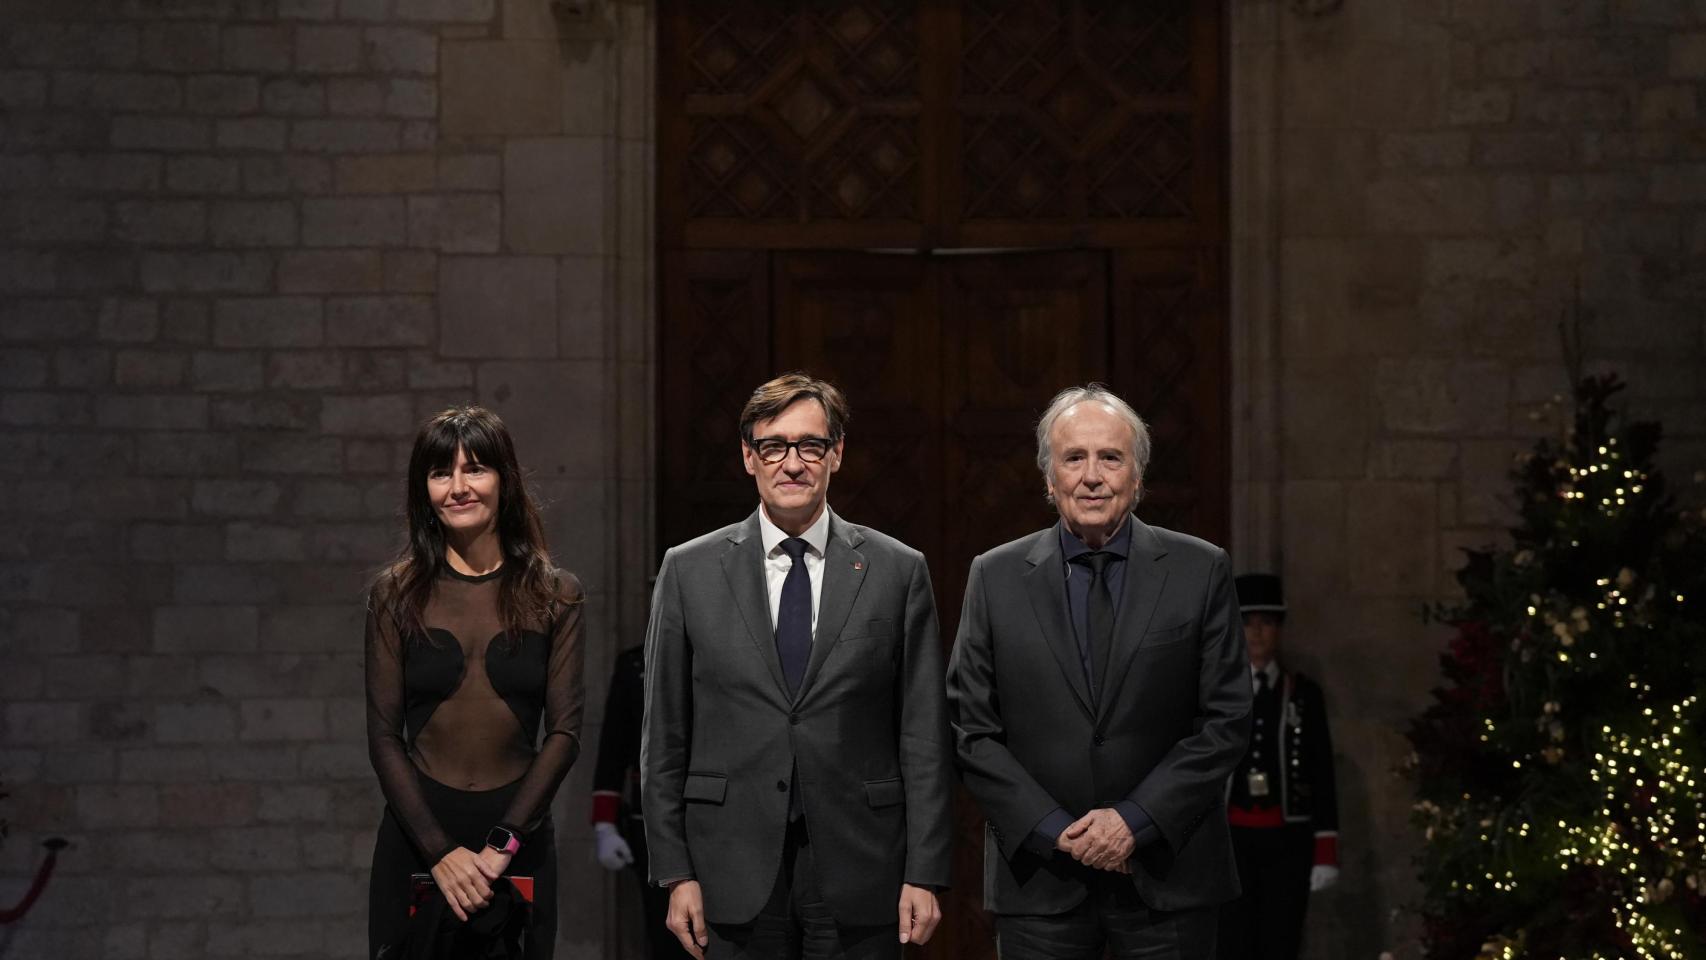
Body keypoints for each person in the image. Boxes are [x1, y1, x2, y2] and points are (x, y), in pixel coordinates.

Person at [641, 372, 953, 960]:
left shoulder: (897, 569)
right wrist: (674, 871)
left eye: (810, 445)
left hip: (863, 862)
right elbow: (664, 736)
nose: (792, 463)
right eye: (773, 446)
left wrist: (926, 870)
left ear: (836, 454)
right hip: (728, 864)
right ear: (748, 457)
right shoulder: (688, 570)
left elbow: (924, 736)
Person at [946, 384, 1251, 960]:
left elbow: (1226, 721)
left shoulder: (1200, 569)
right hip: (1042, 880)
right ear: (1049, 477)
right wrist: (1052, 828)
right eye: (1073, 458)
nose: (1092, 476)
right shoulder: (994, 576)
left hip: (1169, 878)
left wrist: (1135, 820)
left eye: (1110, 457)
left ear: (1137, 476)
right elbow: (970, 729)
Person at [365, 405, 586, 960]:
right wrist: (439, 851)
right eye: (441, 473)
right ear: (424, 490)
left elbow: (565, 733)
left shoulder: (556, 593)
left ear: (504, 479)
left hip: (517, 837)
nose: (458, 487)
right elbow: (384, 736)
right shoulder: (395, 594)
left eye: (475, 469)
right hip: (418, 837)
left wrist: (501, 846)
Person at [1216, 574, 1340, 960]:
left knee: (1281, 940)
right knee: (1232, 941)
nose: (1256, 633)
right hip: (1232, 841)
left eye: (1266, 623)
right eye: (1247, 623)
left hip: (1287, 842)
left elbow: (1321, 771)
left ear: (1279, 629)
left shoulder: (1303, 694)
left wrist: (1325, 848)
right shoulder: (1216, 692)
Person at [590, 642, 691, 959]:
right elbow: (614, 746)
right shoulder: (635, 664)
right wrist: (605, 825)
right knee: (663, 931)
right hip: (650, 819)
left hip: (715, 818)